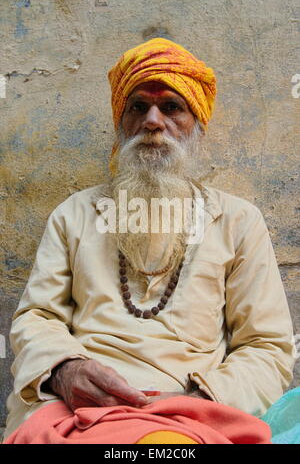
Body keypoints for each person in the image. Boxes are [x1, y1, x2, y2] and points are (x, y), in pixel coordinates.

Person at [3, 38, 296, 444]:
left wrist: (200, 398)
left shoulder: (238, 221)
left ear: (197, 123)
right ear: (121, 122)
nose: (153, 122)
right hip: (80, 410)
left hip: (192, 411)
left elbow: (267, 346)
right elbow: (37, 317)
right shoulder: (74, 213)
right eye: (138, 107)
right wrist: (65, 369)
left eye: (172, 107)